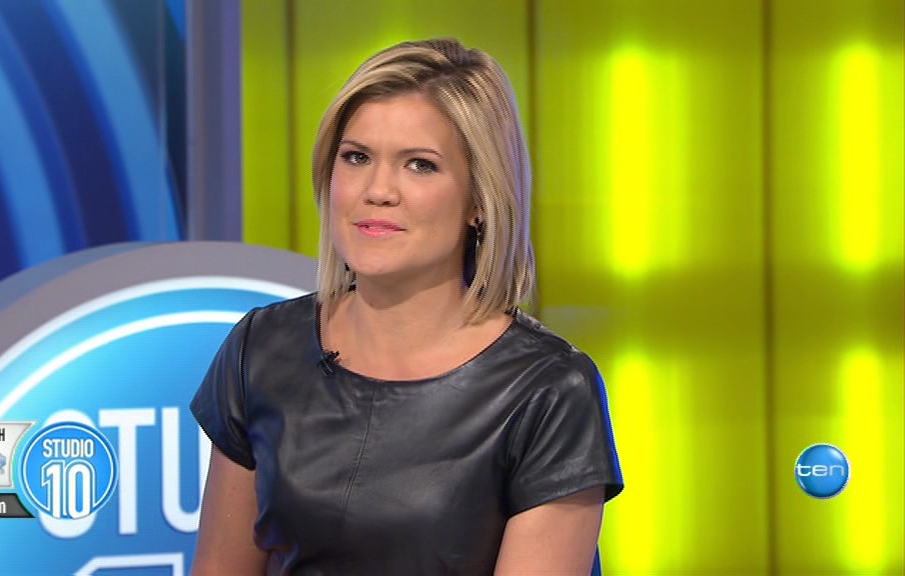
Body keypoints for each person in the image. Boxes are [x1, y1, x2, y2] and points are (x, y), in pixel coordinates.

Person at [190, 38, 623, 575]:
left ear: (480, 201)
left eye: (420, 165)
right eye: (357, 157)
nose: (378, 190)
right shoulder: (261, 348)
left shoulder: (549, 390)